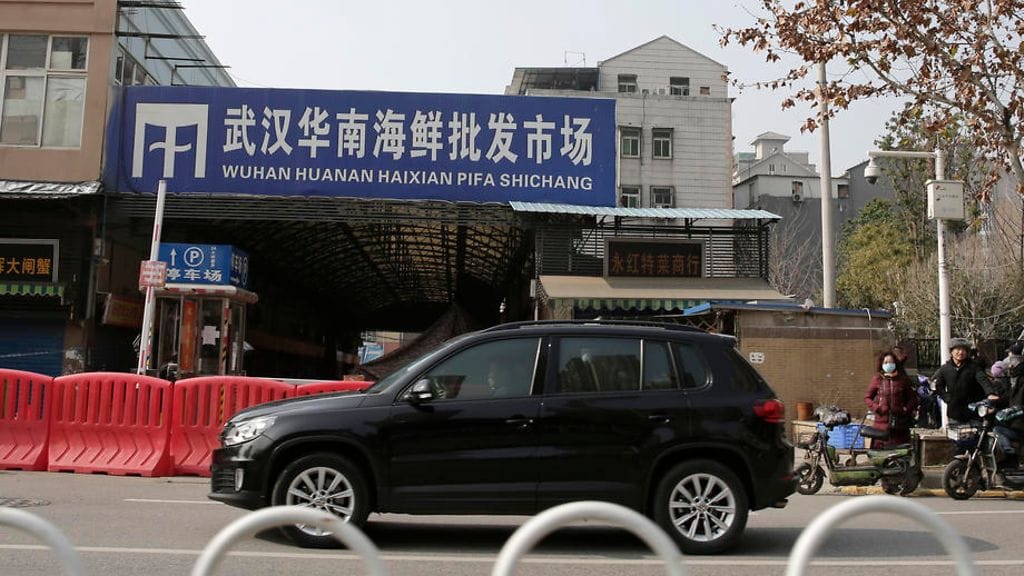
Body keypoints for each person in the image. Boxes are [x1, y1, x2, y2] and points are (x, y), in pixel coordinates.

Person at [934, 337, 1001, 424]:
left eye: (963, 350)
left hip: (972, 411)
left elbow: (983, 380)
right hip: (954, 411)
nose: (961, 352)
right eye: (958, 349)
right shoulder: (945, 369)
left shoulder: (974, 367)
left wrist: (990, 393)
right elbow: (939, 386)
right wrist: (948, 398)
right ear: (951, 352)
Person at [864, 351, 919, 448]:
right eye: (886, 362)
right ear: (881, 364)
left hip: (899, 425)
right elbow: (867, 398)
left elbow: (913, 398)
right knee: (880, 452)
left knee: (900, 452)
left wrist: (906, 409)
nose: (888, 365)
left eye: (891, 362)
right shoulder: (877, 379)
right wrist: (877, 408)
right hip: (881, 425)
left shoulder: (902, 380)